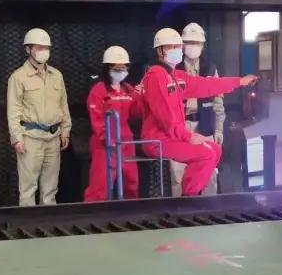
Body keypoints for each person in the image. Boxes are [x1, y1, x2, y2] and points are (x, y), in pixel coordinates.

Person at [138, 28, 257, 196]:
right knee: (206, 154)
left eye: (178, 46)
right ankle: (189, 198)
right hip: (157, 140)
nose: (177, 50)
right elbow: (166, 118)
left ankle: (192, 194)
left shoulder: (176, 76)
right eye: (171, 47)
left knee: (215, 149)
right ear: (160, 51)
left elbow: (206, 85)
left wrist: (240, 81)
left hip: (171, 136)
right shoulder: (156, 75)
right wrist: (189, 136)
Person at [7, 28, 71, 206]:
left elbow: (63, 104)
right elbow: (13, 110)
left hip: (53, 137)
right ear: (28, 49)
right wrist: (17, 138)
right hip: (30, 139)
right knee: (28, 189)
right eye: (39, 47)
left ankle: (48, 222)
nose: (44, 51)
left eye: (46, 48)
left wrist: (65, 131)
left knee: (50, 190)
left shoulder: (56, 76)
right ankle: (28, 223)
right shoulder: (18, 77)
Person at [169, 22, 224, 196]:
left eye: (197, 43)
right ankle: (180, 211)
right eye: (189, 42)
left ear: (202, 45)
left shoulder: (211, 69)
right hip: (180, 129)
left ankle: (209, 210)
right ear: (182, 45)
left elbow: (218, 102)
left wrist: (219, 129)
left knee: (209, 175)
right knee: (178, 175)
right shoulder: (172, 69)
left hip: (205, 127)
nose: (193, 46)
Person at [84, 46, 141, 202]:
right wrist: (108, 138)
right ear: (107, 68)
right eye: (116, 68)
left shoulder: (128, 89)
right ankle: (93, 213)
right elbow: (96, 119)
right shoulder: (98, 91)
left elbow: (136, 113)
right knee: (100, 185)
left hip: (126, 142)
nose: (120, 71)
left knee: (131, 182)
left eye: (123, 68)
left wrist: (141, 96)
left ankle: (131, 213)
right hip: (105, 144)